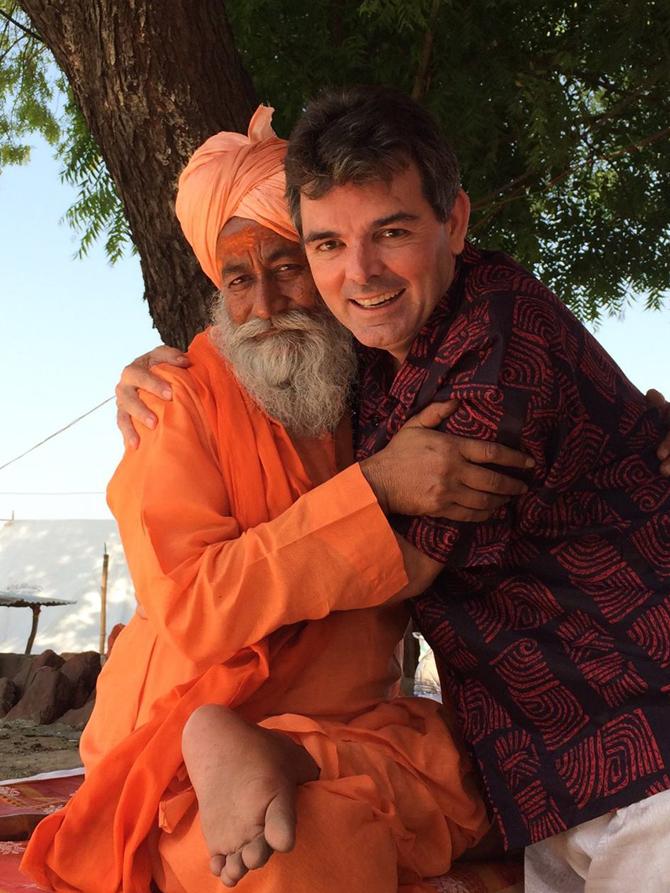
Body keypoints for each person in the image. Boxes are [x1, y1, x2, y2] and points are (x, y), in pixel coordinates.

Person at [118, 87, 670, 893]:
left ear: (455, 223)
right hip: (548, 762)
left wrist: (370, 486)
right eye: (328, 245)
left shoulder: (486, 344)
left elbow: (405, 571)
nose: (358, 273)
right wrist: (143, 378)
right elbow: (194, 601)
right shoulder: (349, 370)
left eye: (391, 233)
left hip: (637, 738)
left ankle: (293, 752)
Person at [21, 106, 538, 893]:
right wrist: (374, 490)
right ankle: (250, 756)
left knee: (511, 770)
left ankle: (294, 757)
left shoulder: (381, 387)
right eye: (238, 278)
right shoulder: (177, 402)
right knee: (297, 849)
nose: (264, 305)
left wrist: (641, 429)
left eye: (289, 264)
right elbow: (193, 603)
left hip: (350, 731)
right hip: (182, 754)